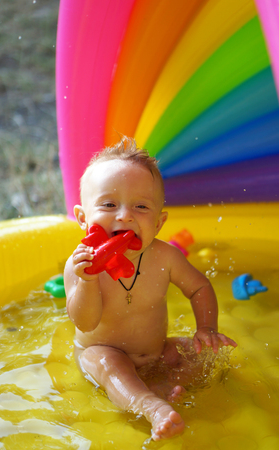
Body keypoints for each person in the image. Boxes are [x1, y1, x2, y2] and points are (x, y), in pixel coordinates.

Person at [64, 136, 237, 441]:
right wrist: (89, 280)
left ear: (159, 223)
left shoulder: (165, 257)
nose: (125, 215)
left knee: (209, 358)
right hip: (102, 350)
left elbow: (199, 287)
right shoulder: (80, 265)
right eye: (108, 204)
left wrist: (206, 328)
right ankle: (150, 405)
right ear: (82, 218)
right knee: (107, 364)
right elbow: (85, 322)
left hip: (156, 351)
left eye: (141, 206)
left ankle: (162, 384)